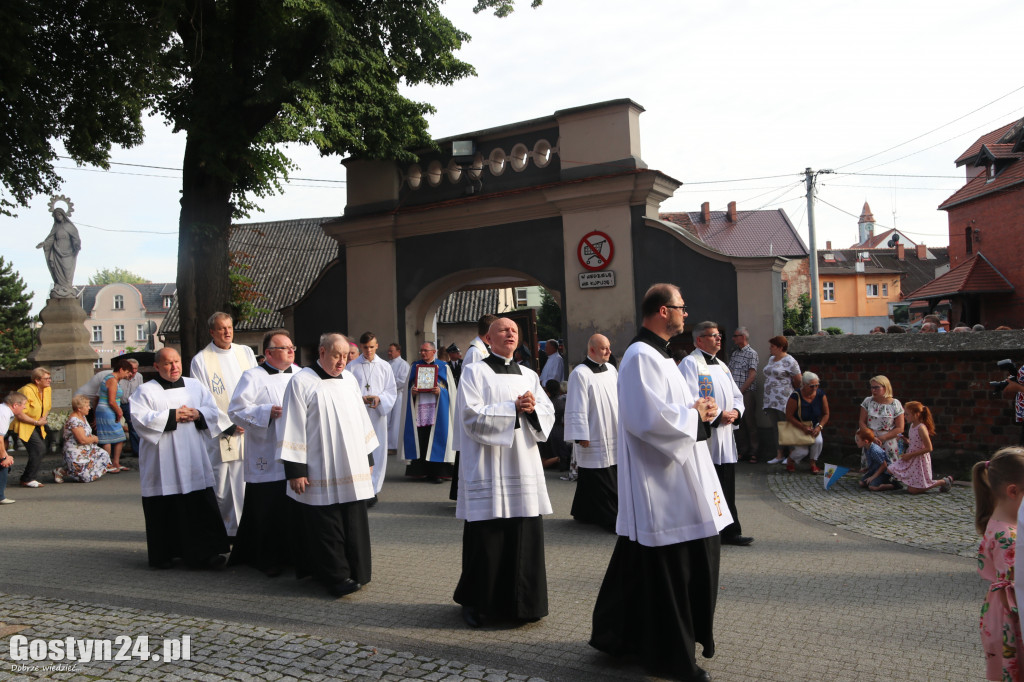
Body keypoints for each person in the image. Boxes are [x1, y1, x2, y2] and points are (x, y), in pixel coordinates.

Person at [590, 284, 729, 682]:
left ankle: (625, 639)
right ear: (663, 311)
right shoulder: (639, 356)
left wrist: (699, 409)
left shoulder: (662, 356)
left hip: (678, 474)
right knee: (672, 569)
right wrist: (695, 418)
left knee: (652, 568)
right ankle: (669, 656)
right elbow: (647, 419)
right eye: (681, 308)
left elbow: (671, 409)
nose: (686, 314)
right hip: (661, 482)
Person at [454, 317, 555, 627]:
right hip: (488, 465)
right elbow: (470, 416)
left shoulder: (528, 373)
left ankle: (525, 604)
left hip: (523, 461)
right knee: (488, 536)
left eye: (514, 330)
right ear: (488, 337)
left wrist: (532, 408)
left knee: (523, 534)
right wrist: (513, 407)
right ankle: (478, 603)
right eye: (502, 330)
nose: (510, 334)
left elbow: (548, 412)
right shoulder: (474, 371)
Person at [277, 333, 378, 598]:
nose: (342, 361)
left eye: (346, 356)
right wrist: (296, 470)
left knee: (354, 518)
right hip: (319, 467)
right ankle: (335, 576)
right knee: (326, 522)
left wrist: (368, 457)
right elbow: (292, 426)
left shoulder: (350, 379)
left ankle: (357, 570)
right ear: (322, 352)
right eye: (336, 355)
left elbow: (361, 420)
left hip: (352, 465)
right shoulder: (302, 382)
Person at [130, 348, 230, 570]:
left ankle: (206, 554)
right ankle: (165, 555)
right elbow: (139, 419)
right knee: (166, 508)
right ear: (157, 366)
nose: (174, 367)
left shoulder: (195, 386)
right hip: (162, 462)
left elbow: (213, 411)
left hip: (194, 457)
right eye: (167, 363)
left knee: (199, 505)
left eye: (176, 362)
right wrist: (172, 415)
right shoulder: (145, 391)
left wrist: (197, 414)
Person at [227, 329, 299, 577]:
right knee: (268, 506)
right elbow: (236, 410)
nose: (290, 351)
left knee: (293, 507)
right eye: (284, 348)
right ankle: (267, 557)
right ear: (268, 353)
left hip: (295, 452)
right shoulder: (253, 377)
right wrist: (266, 411)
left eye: (292, 347)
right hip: (266, 451)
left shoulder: (301, 375)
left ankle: (293, 554)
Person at [680, 321, 751, 547]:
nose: (719, 339)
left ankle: (730, 531)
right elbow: (691, 398)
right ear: (699, 340)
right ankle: (708, 532)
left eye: (719, 335)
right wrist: (719, 415)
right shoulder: (691, 364)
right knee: (708, 483)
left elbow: (737, 395)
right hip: (707, 437)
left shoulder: (722, 365)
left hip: (725, 436)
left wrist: (735, 412)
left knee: (726, 484)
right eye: (713, 335)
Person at [190, 311, 258, 538]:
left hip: (248, 428)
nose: (227, 332)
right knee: (225, 483)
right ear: (212, 332)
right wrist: (228, 423)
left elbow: (256, 385)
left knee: (248, 479)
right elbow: (202, 397)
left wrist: (249, 417)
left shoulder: (245, 352)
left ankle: (249, 527)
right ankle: (228, 530)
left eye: (229, 327)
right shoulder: (201, 360)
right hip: (223, 433)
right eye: (221, 328)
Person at [974, 447, 1024, 681]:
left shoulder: (1001, 521)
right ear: (1014, 491)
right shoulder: (1009, 538)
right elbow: (1015, 590)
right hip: (1010, 624)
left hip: (999, 616)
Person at [565, 333, 619, 530]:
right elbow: (576, 405)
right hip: (594, 433)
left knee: (592, 477)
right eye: (604, 348)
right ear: (592, 350)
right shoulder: (580, 373)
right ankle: (611, 517)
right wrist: (580, 434)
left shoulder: (612, 369)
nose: (609, 352)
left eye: (609, 347)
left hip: (613, 430)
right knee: (600, 475)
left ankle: (584, 511)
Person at [347, 332, 397, 498]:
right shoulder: (352, 366)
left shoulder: (384, 366)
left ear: (376, 346)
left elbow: (391, 391)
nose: (368, 350)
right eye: (365, 347)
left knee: (378, 449)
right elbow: (347, 390)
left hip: (377, 415)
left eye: (371, 347)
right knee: (359, 449)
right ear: (361, 347)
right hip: (358, 415)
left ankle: (374, 489)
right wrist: (358, 399)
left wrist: (379, 398)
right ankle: (360, 486)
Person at [403, 341, 457, 483]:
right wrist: (412, 392)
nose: (422, 353)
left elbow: (452, 391)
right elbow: (407, 389)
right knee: (422, 438)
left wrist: (441, 392)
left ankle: (438, 472)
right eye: (421, 350)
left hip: (438, 409)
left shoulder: (444, 367)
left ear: (434, 352)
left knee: (437, 438)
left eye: (426, 350)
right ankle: (421, 471)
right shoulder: (415, 367)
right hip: (419, 408)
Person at [886, 401, 952, 493]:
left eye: (907, 414)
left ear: (916, 414)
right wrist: (906, 440)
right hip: (911, 456)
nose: (905, 417)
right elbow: (915, 442)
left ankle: (943, 481)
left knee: (913, 490)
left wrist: (911, 455)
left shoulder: (921, 428)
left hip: (919, 459)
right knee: (890, 469)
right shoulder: (912, 425)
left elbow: (929, 448)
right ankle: (911, 483)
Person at [54, 395, 111, 483]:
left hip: (87, 448)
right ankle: (63, 471)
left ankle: (77, 470)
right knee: (85, 478)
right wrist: (94, 439)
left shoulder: (83, 417)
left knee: (104, 456)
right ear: (79, 408)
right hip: (76, 449)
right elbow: (82, 440)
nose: (89, 408)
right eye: (87, 406)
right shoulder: (74, 420)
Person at [763, 336, 801, 466]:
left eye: (772, 346)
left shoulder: (790, 361)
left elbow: (798, 379)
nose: (770, 349)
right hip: (770, 399)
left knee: (786, 426)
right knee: (776, 427)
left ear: (780, 347)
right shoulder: (771, 359)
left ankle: (791, 454)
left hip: (783, 399)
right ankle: (779, 454)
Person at [782, 371, 829, 474]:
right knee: (802, 451)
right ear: (804, 385)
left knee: (818, 442)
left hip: (814, 425)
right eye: (812, 386)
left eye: (817, 385)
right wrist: (802, 427)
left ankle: (813, 463)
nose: (815, 388)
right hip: (798, 426)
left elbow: (826, 414)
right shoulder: (796, 396)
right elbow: (789, 415)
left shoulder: (820, 394)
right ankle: (791, 460)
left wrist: (820, 427)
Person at [13, 367, 52, 488]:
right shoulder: (26, 390)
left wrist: (42, 419)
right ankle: (27, 478)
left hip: (38, 423)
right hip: (25, 424)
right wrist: (36, 422)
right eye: (46, 378)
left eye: (49, 378)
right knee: (38, 448)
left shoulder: (47, 389)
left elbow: (47, 406)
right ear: (37, 380)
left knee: (43, 447)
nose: (49, 380)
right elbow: (19, 413)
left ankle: (29, 476)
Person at [95, 357, 133, 473]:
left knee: (119, 437)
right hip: (107, 410)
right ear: (121, 369)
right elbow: (111, 400)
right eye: (127, 372)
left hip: (108, 410)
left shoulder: (113, 379)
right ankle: (107, 463)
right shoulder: (111, 380)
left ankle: (115, 462)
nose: (127, 375)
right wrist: (119, 411)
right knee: (108, 438)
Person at [727, 327, 759, 463]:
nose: (733, 339)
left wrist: (739, 392)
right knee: (738, 423)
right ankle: (742, 450)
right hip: (734, 394)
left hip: (746, 393)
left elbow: (752, 376)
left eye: (735, 336)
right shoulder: (735, 354)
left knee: (750, 422)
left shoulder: (752, 353)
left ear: (743, 337)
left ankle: (754, 451)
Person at [858, 375, 905, 464]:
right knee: (871, 467)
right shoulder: (868, 401)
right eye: (872, 387)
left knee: (889, 467)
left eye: (876, 387)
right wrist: (872, 437)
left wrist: (881, 438)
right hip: (870, 438)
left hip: (888, 440)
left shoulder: (895, 404)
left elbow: (900, 427)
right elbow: (861, 421)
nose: (873, 390)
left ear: (885, 387)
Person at [36, 206, 81, 297]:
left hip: (68, 252)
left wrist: (76, 245)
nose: (58, 217)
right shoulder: (56, 227)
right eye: (56, 215)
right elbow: (51, 239)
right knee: (57, 271)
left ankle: (67, 288)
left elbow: (75, 238)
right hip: (57, 251)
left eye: (59, 214)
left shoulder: (69, 226)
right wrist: (44, 244)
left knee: (67, 271)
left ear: (63, 215)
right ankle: (60, 287)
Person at [0, 392, 28, 505]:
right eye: (24, 404)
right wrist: (4, 457)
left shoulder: (4, 410)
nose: (25, 407)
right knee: (3, 465)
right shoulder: (4, 413)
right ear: (15, 405)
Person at [386, 343, 410, 454]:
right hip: (388, 396)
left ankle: (395, 446)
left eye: (391, 351)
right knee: (388, 421)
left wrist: (389, 386)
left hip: (398, 395)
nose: (389, 353)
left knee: (396, 421)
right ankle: (388, 445)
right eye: (389, 351)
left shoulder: (403, 364)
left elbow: (403, 381)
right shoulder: (387, 364)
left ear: (398, 351)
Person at [857, 427, 898, 491]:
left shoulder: (875, 450)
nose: (856, 442)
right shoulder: (866, 447)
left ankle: (892, 485)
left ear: (865, 441)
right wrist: (867, 469)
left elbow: (884, 465)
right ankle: (876, 480)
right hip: (875, 470)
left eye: (858, 440)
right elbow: (874, 462)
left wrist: (873, 477)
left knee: (872, 487)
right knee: (861, 483)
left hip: (884, 472)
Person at [120, 359, 144, 456]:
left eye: (136, 368)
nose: (134, 371)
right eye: (131, 368)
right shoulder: (121, 377)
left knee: (133, 427)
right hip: (119, 402)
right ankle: (118, 451)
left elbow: (141, 391)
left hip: (131, 404)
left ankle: (137, 451)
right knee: (117, 426)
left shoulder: (139, 377)